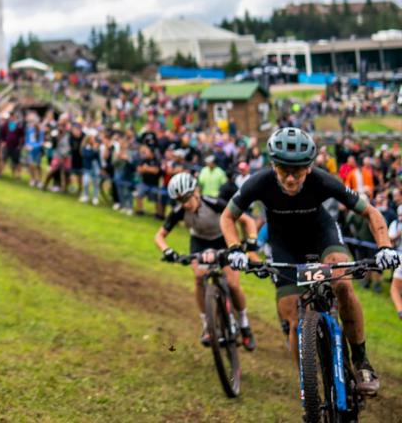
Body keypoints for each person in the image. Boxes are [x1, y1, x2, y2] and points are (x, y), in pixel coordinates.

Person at [221, 127, 400, 395]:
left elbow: (371, 212)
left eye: (299, 171)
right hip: (284, 246)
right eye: (284, 170)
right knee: (293, 316)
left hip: (321, 236)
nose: (291, 178)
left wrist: (385, 247)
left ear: (310, 167)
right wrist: (235, 249)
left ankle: (361, 360)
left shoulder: (323, 180)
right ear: (273, 165)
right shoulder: (259, 182)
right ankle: (309, 386)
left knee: (343, 284)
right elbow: (227, 217)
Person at [156, 172, 258, 349]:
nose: (185, 204)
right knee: (198, 278)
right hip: (199, 243)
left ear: (196, 191)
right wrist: (168, 251)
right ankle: (207, 324)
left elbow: (246, 220)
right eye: (180, 200)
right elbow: (159, 236)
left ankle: (244, 324)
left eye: (187, 198)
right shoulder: (179, 211)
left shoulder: (214, 203)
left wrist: (250, 240)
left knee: (233, 285)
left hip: (222, 240)